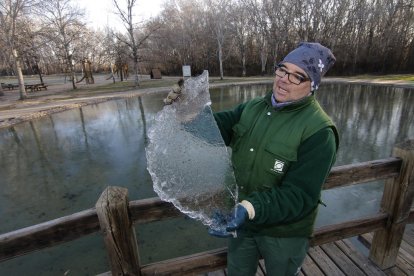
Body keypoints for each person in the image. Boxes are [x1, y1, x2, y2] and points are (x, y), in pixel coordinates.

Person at [209, 42, 339, 275]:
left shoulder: (320, 132)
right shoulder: (253, 107)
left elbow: (299, 196)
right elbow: (216, 127)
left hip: (284, 233)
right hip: (242, 223)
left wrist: (248, 208)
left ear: (312, 86)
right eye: (282, 70)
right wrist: (187, 113)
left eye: (298, 76)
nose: (285, 79)